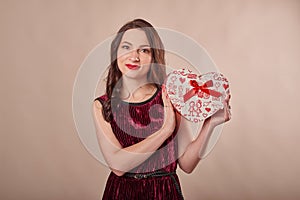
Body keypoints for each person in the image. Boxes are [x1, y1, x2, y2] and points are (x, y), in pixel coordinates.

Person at [92, 18, 231, 200]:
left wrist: (210, 124)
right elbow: (118, 166)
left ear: (154, 57)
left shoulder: (171, 96)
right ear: (115, 53)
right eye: (126, 47)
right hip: (121, 193)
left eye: (144, 50)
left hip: (164, 192)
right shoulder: (102, 105)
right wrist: (164, 131)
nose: (134, 56)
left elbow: (187, 165)